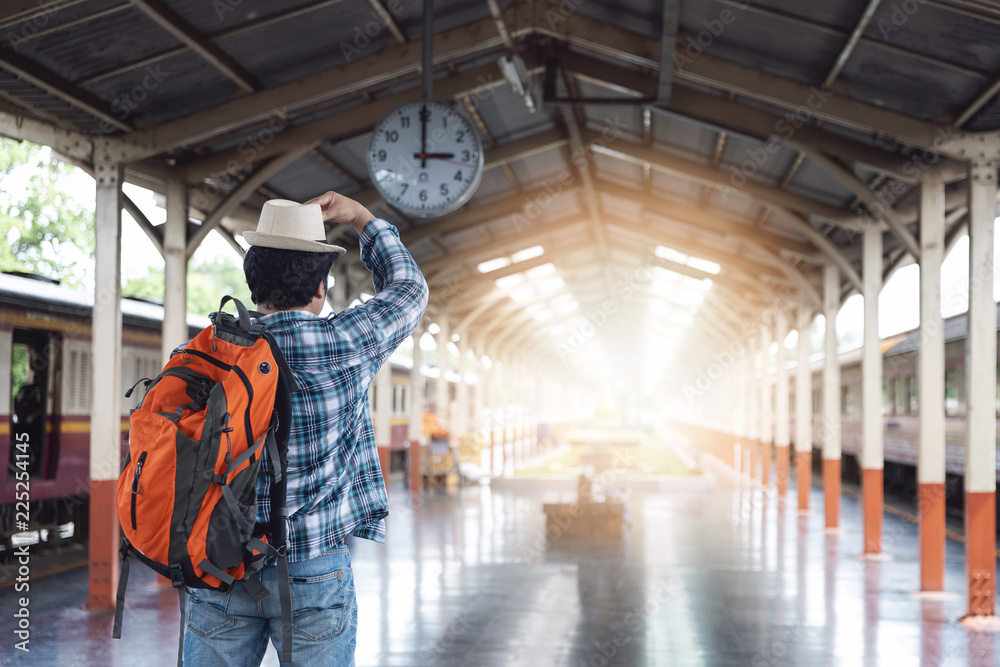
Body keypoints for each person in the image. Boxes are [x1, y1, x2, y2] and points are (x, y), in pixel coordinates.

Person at [182, 192, 428, 666]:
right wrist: (360, 217)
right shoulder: (346, 342)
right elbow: (409, 288)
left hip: (219, 563)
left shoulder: (212, 350)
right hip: (312, 568)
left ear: (254, 286)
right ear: (320, 287)